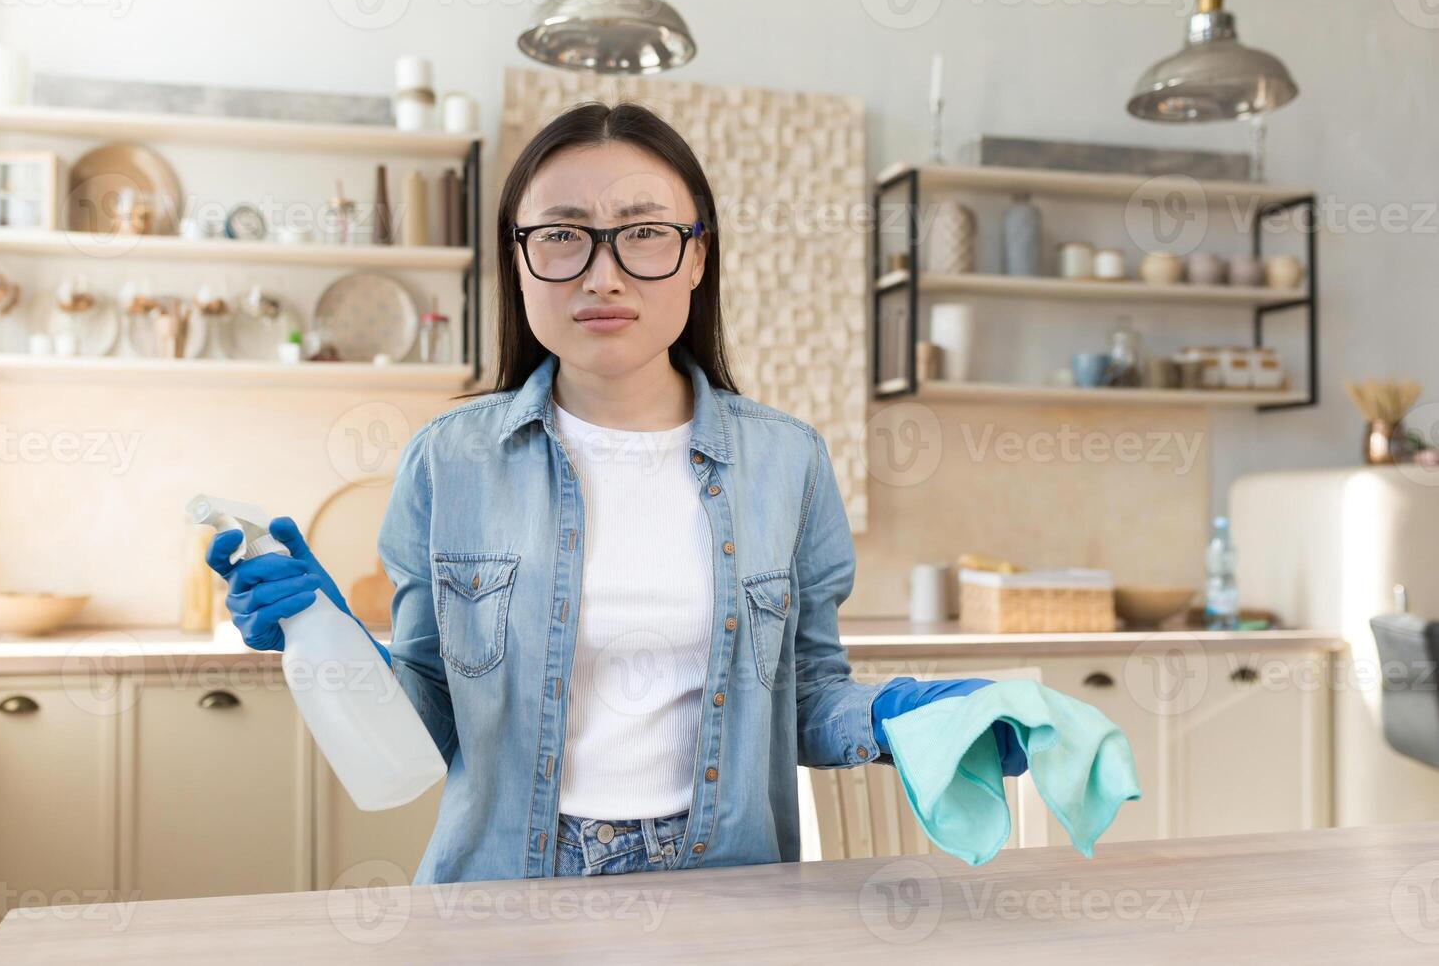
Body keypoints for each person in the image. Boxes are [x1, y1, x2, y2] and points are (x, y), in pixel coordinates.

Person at [205, 100, 1025, 885]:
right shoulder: (447, 461)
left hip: (726, 887)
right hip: (504, 891)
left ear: (697, 256)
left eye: (643, 234)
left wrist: (898, 716)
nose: (603, 276)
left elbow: (802, 697)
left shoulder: (790, 462)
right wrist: (334, 644)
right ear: (519, 261)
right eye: (562, 236)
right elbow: (429, 718)